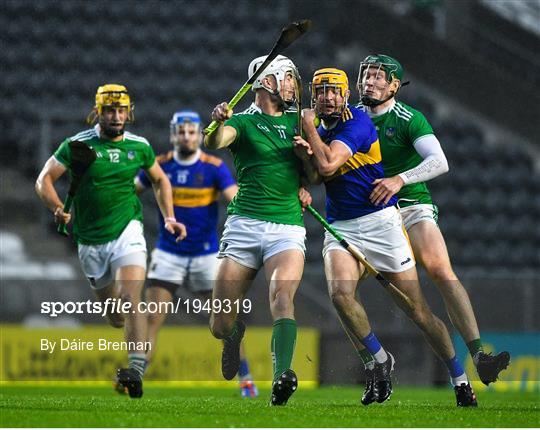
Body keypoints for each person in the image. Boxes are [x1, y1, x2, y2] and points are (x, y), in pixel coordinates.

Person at [294, 68, 477, 407]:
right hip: (342, 226)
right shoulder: (320, 131)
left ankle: (459, 378)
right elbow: (319, 176)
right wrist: (304, 178)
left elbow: (331, 164)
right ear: (314, 96)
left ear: (345, 94)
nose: (329, 98)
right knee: (339, 294)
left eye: (336, 91)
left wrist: (308, 131)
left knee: (417, 311)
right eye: (323, 92)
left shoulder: (358, 124)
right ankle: (378, 361)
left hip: (381, 224)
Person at [356, 54, 510, 387]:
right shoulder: (350, 117)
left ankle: (480, 356)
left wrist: (399, 179)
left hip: (411, 206)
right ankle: (377, 362)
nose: (369, 81)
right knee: (349, 290)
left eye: (378, 77)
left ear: (395, 86)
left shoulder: (409, 118)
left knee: (440, 269)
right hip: (366, 215)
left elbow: (439, 161)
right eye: (367, 75)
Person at [35, 84, 186, 399]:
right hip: (90, 241)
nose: (116, 116)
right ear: (98, 112)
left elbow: (160, 179)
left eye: (121, 110)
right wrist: (57, 208)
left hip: (128, 231)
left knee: (132, 297)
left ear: (129, 112)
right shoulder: (77, 145)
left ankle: (135, 371)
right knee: (116, 316)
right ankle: (131, 351)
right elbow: (44, 180)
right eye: (109, 110)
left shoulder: (140, 147)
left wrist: (169, 216)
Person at [204, 55, 313, 406]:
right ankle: (234, 336)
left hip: (287, 228)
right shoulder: (245, 122)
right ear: (267, 83)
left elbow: (318, 170)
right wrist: (217, 123)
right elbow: (216, 142)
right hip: (244, 226)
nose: (294, 86)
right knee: (219, 324)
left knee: (282, 298)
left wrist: (307, 168)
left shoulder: (299, 121)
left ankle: (283, 376)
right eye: (287, 79)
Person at [135, 110, 257, 398]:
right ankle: (136, 374)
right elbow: (130, 192)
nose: (187, 136)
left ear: (200, 134)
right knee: (152, 318)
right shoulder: (159, 165)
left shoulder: (214, 167)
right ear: (172, 134)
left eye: (192, 131)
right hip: (168, 253)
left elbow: (236, 198)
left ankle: (246, 378)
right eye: (181, 131)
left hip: (205, 255)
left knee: (225, 321)